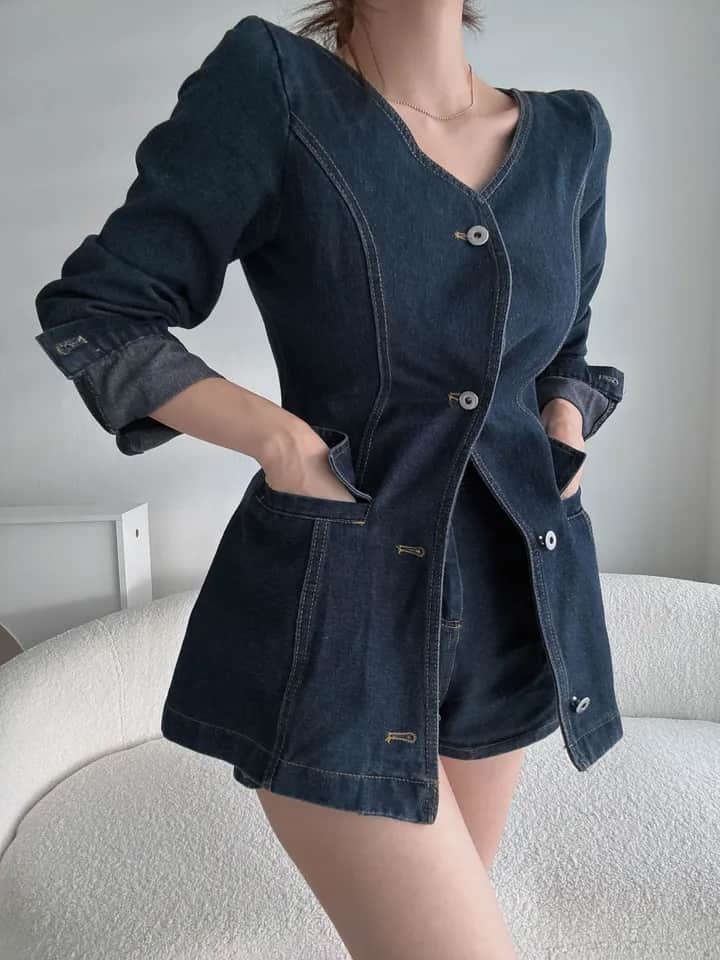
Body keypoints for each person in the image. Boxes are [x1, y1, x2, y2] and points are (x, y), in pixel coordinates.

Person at [34, 2, 626, 957]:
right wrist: (281, 442)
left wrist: (564, 421)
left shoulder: (572, 136)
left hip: (513, 610)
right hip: (341, 610)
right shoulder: (276, 87)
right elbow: (100, 311)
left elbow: (569, 349)